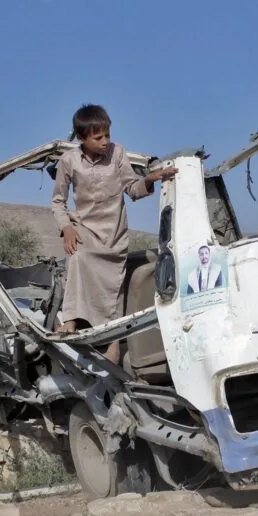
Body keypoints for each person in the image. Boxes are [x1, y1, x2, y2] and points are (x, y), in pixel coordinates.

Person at [51, 104, 176, 363]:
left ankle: (114, 344)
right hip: (85, 229)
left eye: (107, 135)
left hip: (114, 232)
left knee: (113, 286)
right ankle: (71, 319)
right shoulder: (68, 161)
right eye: (98, 137)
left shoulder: (118, 153)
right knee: (77, 258)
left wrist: (149, 180)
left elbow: (132, 189)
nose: (105, 141)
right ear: (82, 138)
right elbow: (58, 201)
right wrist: (66, 227)